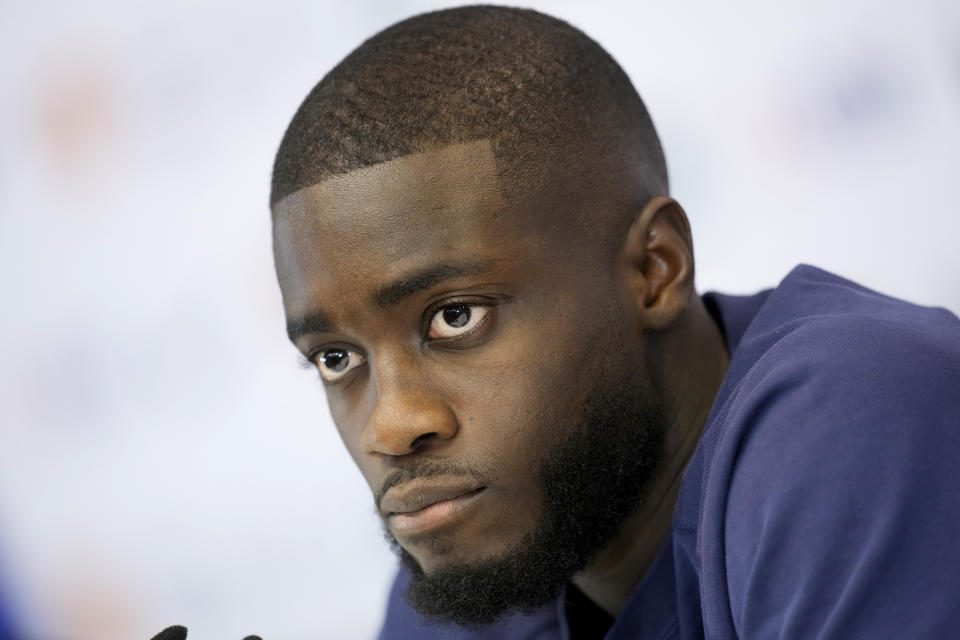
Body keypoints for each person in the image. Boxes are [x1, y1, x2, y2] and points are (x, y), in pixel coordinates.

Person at [269, 6, 960, 639]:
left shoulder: (856, 418)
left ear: (654, 269)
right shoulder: (480, 573)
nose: (390, 427)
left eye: (455, 317)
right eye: (336, 358)